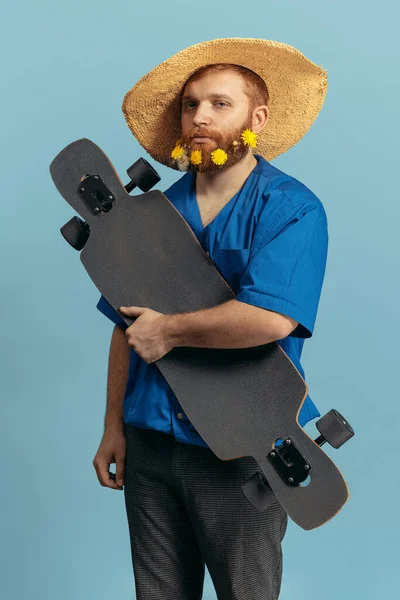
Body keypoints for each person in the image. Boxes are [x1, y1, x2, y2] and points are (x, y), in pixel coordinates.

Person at [92, 38, 329, 600]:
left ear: (257, 116)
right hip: (149, 442)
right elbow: (125, 329)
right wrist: (112, 427)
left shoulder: (291, 208)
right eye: (191, 104)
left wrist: (169, 330)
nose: (200, 116)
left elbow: (272, 319)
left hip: (243, 444)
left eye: (220, 104)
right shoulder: (150, 216)